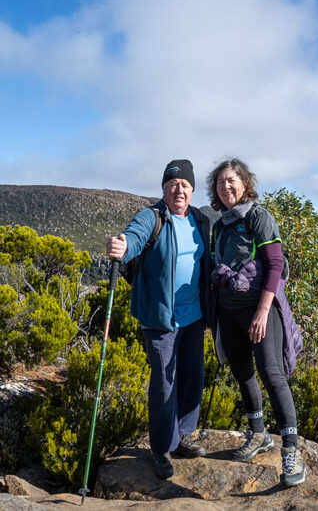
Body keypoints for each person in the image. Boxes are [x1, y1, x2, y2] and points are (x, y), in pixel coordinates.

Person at [107, 159, 210, 479]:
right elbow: (134, 237)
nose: (179, 190)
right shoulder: (151, 217)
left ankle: (182, 435)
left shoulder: (201, 220)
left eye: (185, 185)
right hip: (160, 318)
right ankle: (161, 448)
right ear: (164, 188)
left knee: (192, 376)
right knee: (164, 384)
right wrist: (122, 246)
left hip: (193, 317)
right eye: (173, 184)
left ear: (192, 190)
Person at [207, 158, 306, 488]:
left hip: (259, 308)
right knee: (242, 372)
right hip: (228, 310)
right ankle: (259, 433)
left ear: (245, 183)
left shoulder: (258, 217)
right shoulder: (219, 224)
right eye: (220, 182)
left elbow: (275, 266)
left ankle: (291, 450)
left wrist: (263, 312)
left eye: (231, 181)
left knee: (271, 373)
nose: (226, 186)